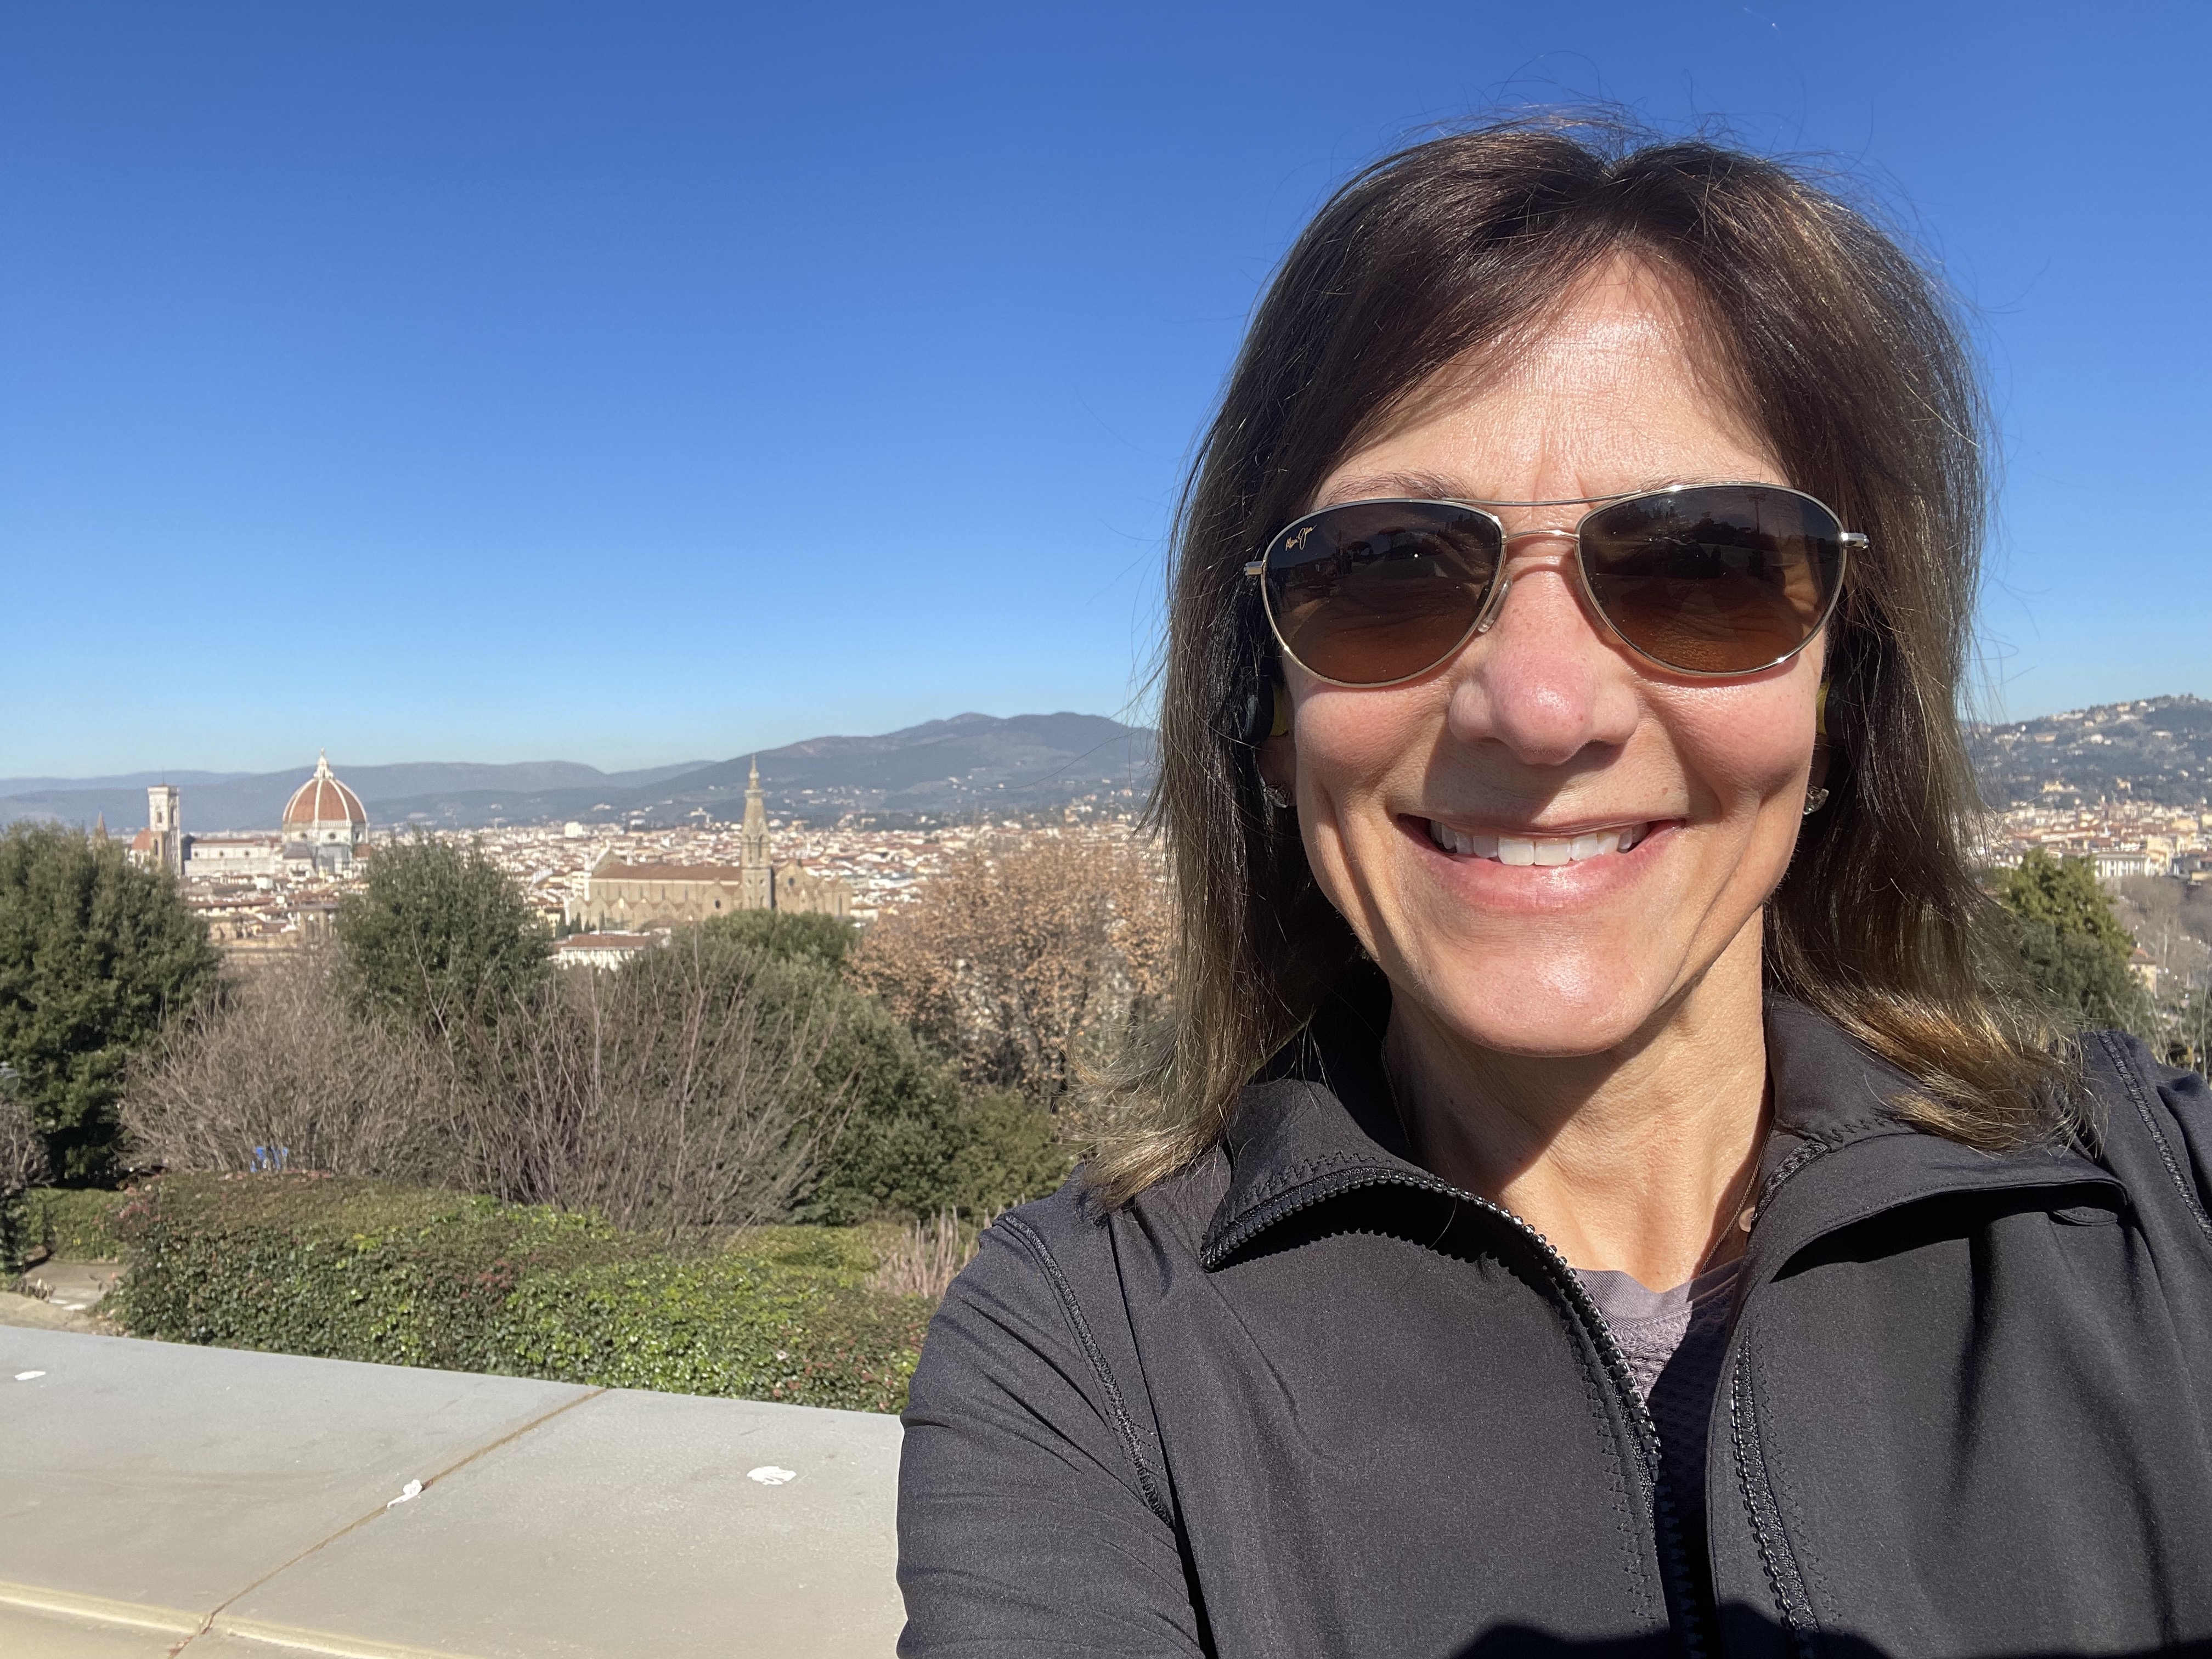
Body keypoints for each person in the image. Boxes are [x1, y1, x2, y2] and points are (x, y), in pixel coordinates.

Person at [895, 120, 2212, 1657]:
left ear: (1844, 692)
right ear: (1264, 715)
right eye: (1386, 569)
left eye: (1706, 566)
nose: (1538, 707)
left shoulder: (2164, 1208)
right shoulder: (1086, 1354)